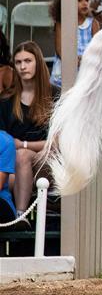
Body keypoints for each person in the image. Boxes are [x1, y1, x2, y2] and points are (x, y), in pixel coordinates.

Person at [0, 42, 58, 220]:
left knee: (23, 155)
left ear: (38, 62)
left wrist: (23, 145)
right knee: (18, 160)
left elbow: (56, 143)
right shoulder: (6, 99)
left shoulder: (55, 95)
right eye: (18, 62)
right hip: (15, 170)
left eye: (28, 61)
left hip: (46, 163)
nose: (23, 66)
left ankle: (20, 215)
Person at [48, 0, 100, 88]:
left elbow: (98, 47)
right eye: (79, 0)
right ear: (67, 2)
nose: (85, 3)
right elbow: (59, 49)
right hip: (67, 66)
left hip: (87, 65)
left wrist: (86, 60)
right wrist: (72, 60)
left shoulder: (93, 23)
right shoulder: (62, 23)